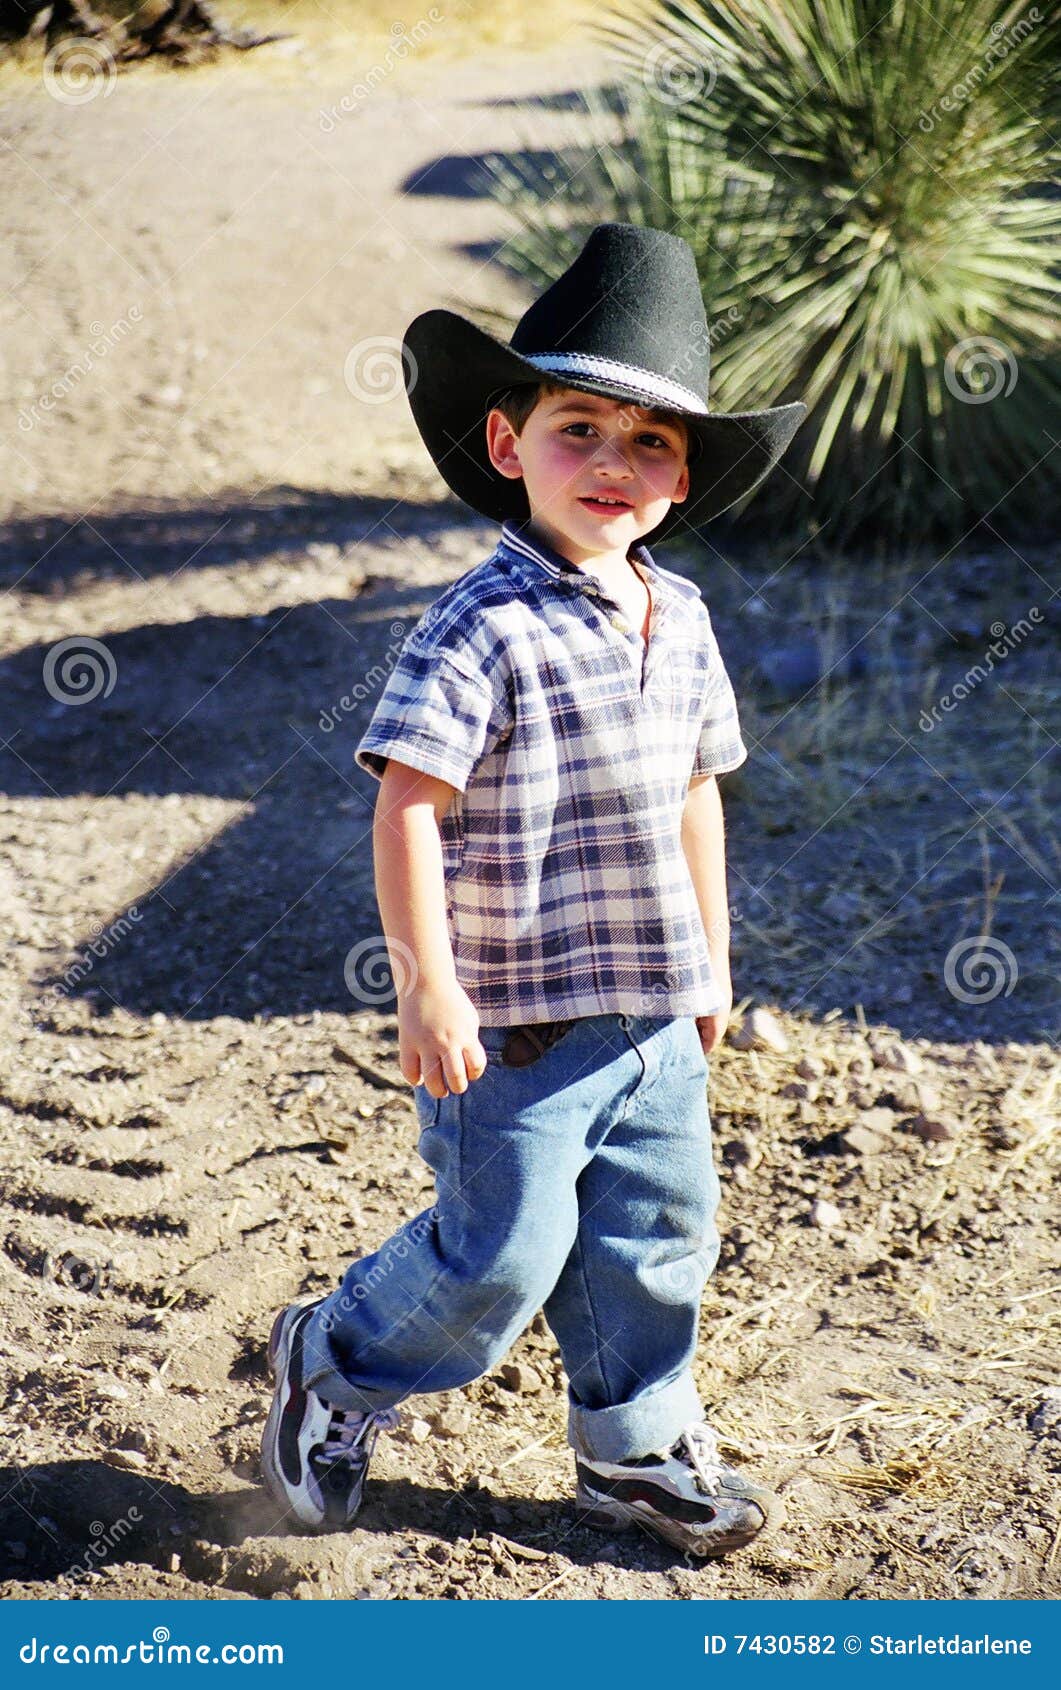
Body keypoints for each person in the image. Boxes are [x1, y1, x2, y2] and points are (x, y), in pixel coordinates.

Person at [260, 223, 805, 1558]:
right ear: (507, 445)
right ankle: (333, 1362)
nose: (613, 465)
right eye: (579, 430)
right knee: (494, 1261)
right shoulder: (480, 624)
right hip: (513, 1031)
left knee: (655, 1239)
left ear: (683, 477)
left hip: (654, 1016)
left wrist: (712, 965)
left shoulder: (679, 616)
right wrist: (429, 985)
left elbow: (693, 791)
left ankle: (635, 1447)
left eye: (650, 442)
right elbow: (408, 803)